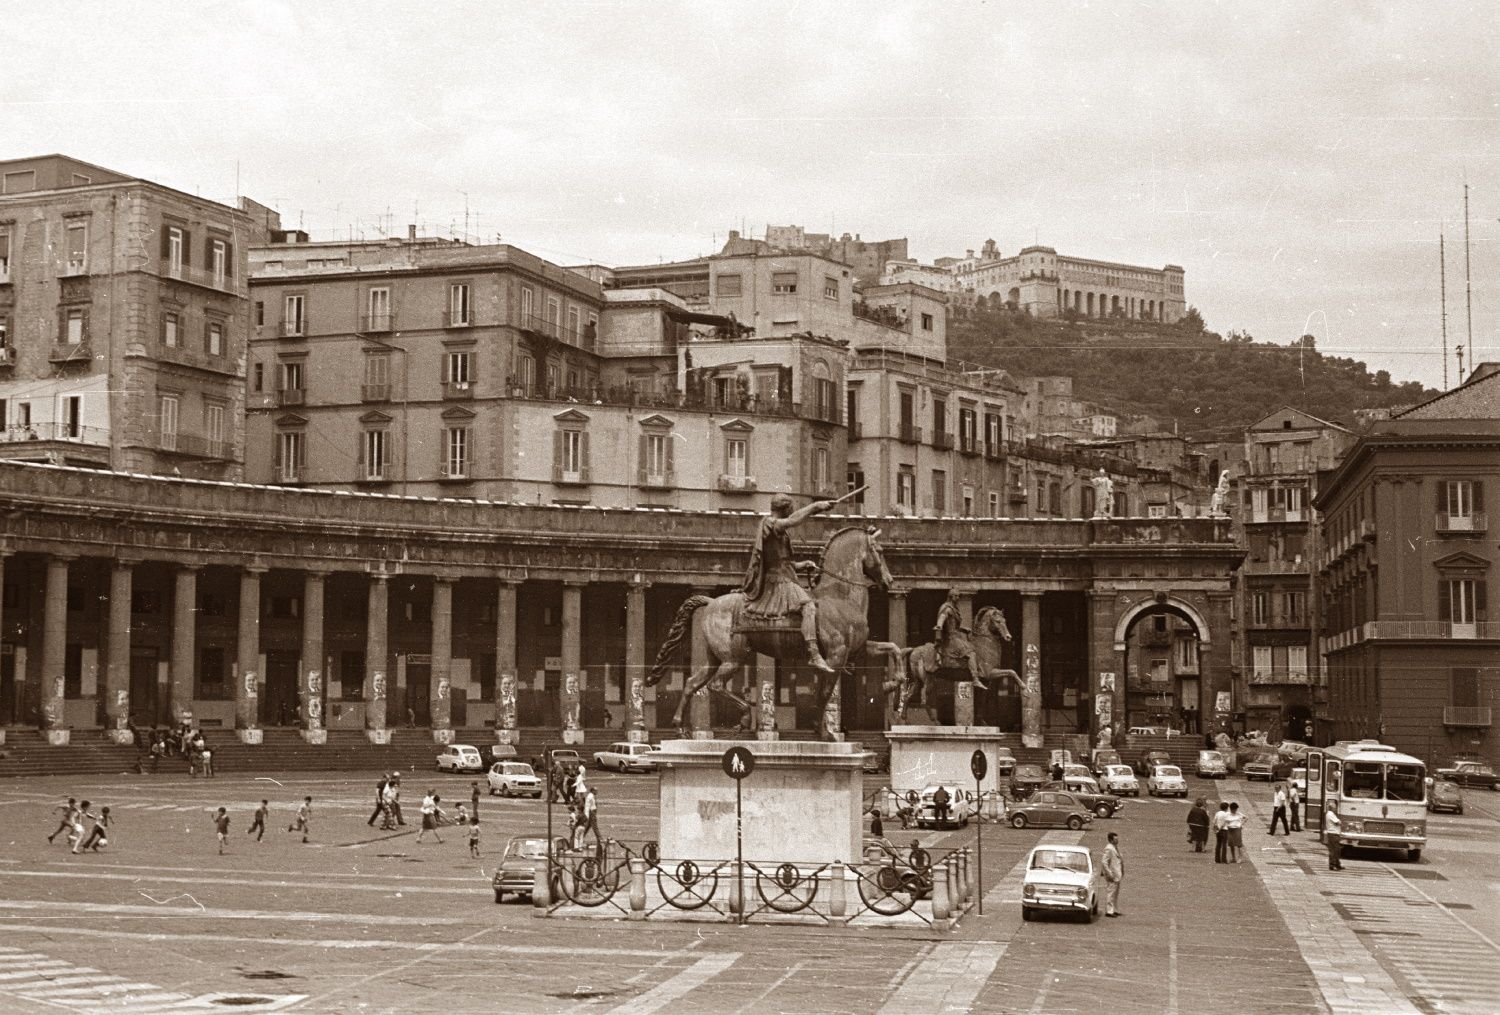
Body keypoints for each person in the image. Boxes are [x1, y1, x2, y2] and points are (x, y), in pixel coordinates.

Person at [738, 493, 837, 674]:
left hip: (786, 577)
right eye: (790, 508)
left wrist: (802, 564)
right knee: (808, 607)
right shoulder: (770, 523)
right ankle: (814, 654)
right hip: (777, 582)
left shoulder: (780, 531)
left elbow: (784, 562)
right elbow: (792, 521)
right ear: (784, 509)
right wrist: (816, 506)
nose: (791, 511)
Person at [932, 590, 977, 680]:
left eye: (958, 596)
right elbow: (942, 618)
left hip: (956, 635)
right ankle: (975, 678)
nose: (958, 598)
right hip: (951, 638)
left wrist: (964, 629)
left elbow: (953, 626)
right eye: (956, 596)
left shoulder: (954, 608)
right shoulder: (947, 608)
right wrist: (939, 625)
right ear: (951, 597)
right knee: (971, 653)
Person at [1101, 831, 1124, 917]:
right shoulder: (1109, 848)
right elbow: (1104, 862)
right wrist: (1109, 873)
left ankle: (1115, 909)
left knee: (1115, 893)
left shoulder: (1114, 847)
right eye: (1115, 839)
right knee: (1111, 893)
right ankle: (1109, 911)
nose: (1117, 840)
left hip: (1117, 874)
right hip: (1112, 875)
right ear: (1111, 840)